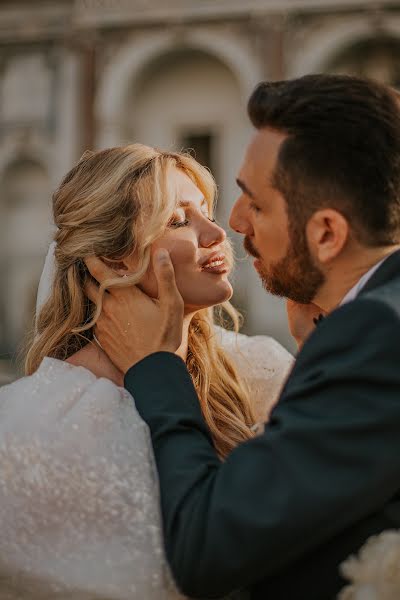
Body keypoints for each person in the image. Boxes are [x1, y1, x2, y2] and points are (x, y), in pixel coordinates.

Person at [85, 74, 400, 600]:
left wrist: (158, 366)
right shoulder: (361, 328)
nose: (232, 224)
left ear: (326, 232)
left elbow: (208, 548)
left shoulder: (375, 336)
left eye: (254, 203)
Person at [0, 144, 292, 599]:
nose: (217, 233)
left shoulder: (262, 368)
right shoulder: (27, 426)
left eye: (207, 211)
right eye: (179, 220)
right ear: (114, 259)